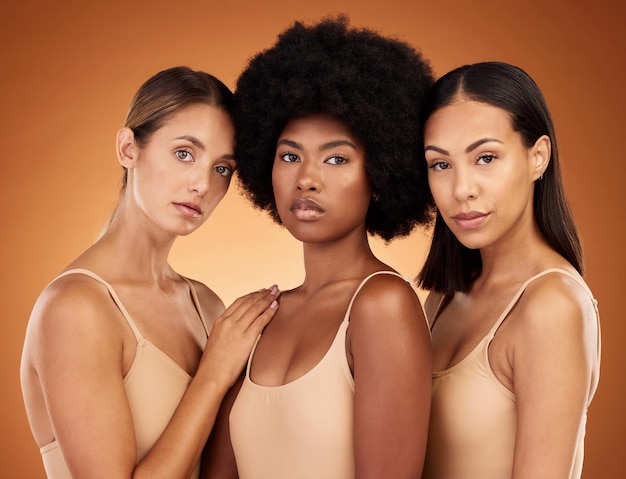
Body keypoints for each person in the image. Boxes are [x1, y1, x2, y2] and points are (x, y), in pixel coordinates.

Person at [201, 16, 434, 479]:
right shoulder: (259, 318)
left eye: (336, 158)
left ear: (381, 174)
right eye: (289, 156)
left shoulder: (382, 306)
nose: (306, 178)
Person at [20, 66, 280, 479]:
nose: (202, 184)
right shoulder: (75, 309)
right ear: (128, 148)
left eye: (222, 168)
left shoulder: (206, 305)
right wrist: (212, 375)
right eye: (184, 153)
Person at [417, 61, 601, 479]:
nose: (461, 189)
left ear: (538, 157)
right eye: (440, 164)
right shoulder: (444, 296)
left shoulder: (552, 307)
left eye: (485, 157)